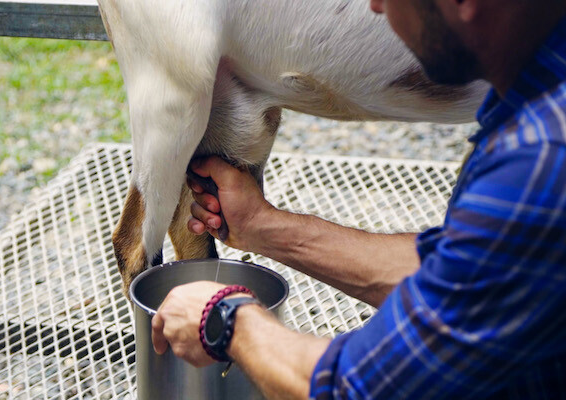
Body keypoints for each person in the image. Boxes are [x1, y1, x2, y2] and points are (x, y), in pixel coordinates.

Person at [150, 0, 566, 398]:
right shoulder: (537, 97)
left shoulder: (540, 159)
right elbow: (468, 271)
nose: (375, 7)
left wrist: (225, 319)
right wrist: (261, 225)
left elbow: (355, 388)